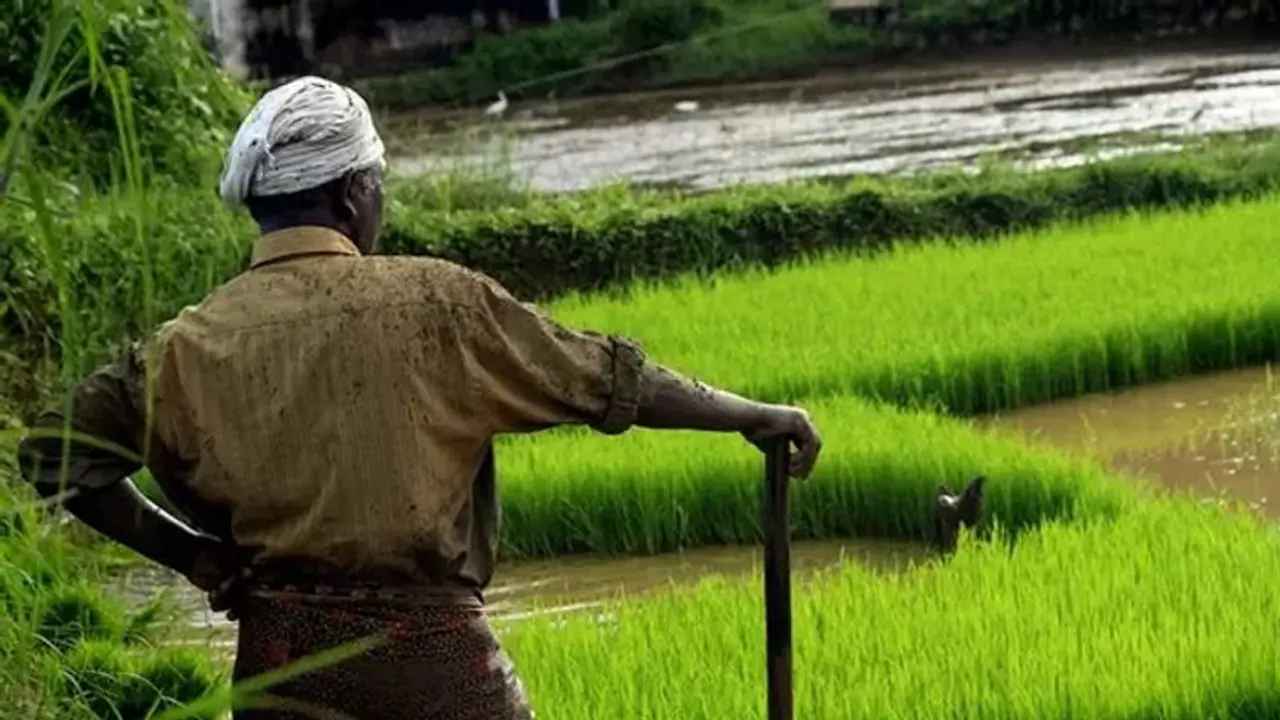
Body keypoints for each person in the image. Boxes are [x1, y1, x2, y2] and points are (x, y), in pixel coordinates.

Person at [15, 76, 822, 720]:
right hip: (429, 656)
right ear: (355, 193)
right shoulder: (435, 303)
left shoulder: (185, 346)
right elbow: (605, 376)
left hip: (278, 661)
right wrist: (752, 414)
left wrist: (190, 554)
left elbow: (52, 454)